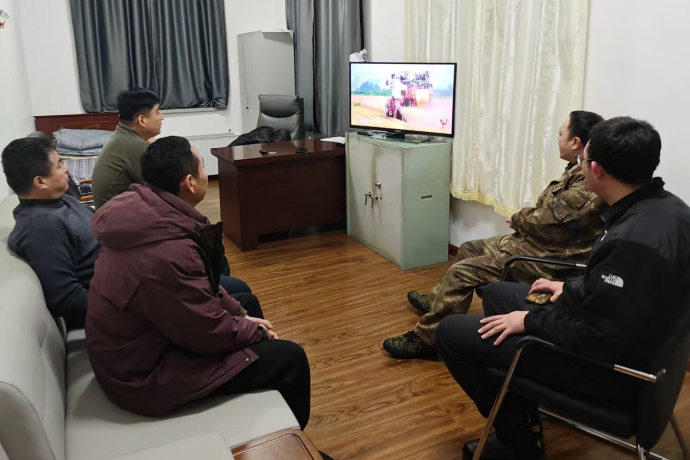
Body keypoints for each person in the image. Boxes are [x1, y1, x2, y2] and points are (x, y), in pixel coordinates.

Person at [436, 117, 690, 460]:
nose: (580, 166)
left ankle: (516, 440)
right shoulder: (670, 209)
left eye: (583, 160)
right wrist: (569, 288)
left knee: (450, 333)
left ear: (596, 169)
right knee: (497, 293)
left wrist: (528, 322)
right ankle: (521, 402)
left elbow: (596, 339)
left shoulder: (632, 242)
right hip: (630, 340)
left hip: (608, 372)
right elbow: (627, 293)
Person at [85, 136, 311, 428]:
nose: (207, 173)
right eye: (204, 166)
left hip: (144, 345)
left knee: (246, 303)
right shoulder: (167, 250)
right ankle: (291, 440)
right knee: (290, 358)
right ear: (190, 183)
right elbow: (206, 331)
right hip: (143, 376)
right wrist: (255, 333)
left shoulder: (144, 210)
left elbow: (200, 287)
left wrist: (241, 317)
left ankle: (261, 415)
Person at [384, 111, 606, 359]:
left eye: (560, 133)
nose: (557, 138)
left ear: (575, 142)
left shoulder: (586, 182)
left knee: (461, 272)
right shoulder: (575, 170)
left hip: (547, 258)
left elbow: (552, 219)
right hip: (535, 244)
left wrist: (519, 219)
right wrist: (524, 220)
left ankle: (427, 340)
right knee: (468, 248)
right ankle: (439, 302)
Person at [2, 137, 99, 330]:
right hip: (114, 299)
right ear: (40, 182)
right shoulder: (42, 229)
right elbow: (67, 298)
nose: (66, 169)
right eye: (59, 164)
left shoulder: (59, 200)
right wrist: (124, 311)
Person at [91, 87, 164, 209]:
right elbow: (164, 191)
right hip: (118, 218)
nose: (162, 117)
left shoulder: (123, 136)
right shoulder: (135, 146)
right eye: (157, 112)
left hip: (113, 213)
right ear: (142, 120)